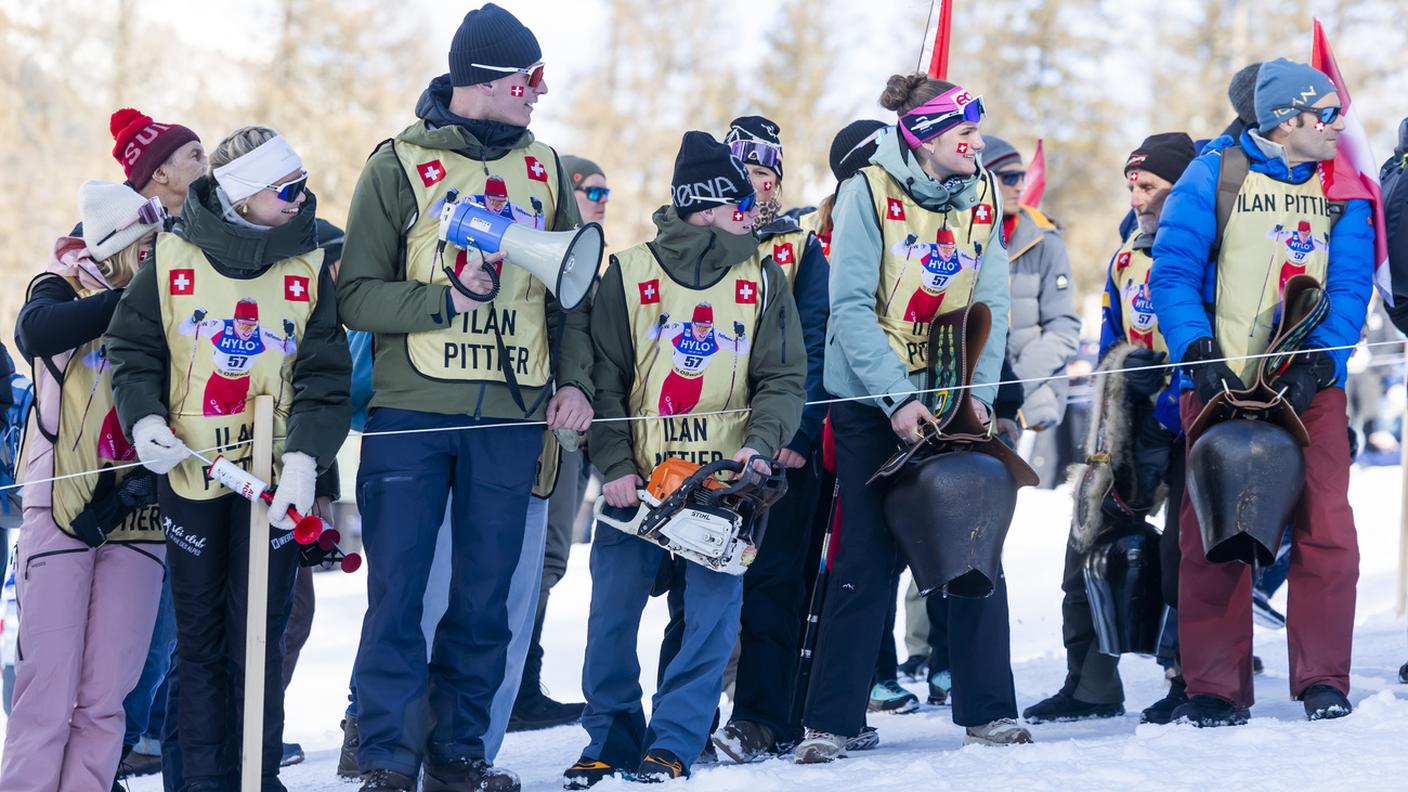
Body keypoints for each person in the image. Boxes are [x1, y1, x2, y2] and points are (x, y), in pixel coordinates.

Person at [336, 5, 593, 790]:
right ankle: (386, 758)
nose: (539, 93)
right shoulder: (396, 164)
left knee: (484, 599)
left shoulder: (547, 168)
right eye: (528, 80)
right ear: (482, 82)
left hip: (510, 418)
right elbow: (355, 296)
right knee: (399, 597)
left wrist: (574, 381)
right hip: (410, 414)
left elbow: (571, 298)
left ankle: (459, 755)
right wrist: (445, 301)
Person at [106, 125, 351, 790]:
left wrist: (306, 462)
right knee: (200, 637)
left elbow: (324, 377)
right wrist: (144, 418)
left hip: (273, 479)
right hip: (193, 473)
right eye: (286, 188)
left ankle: (255, 776)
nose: (301, 197)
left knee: (260, 636)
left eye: (302, 184)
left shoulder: (308, 262)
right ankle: (198, 781)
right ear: (243, 195)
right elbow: (133, 350)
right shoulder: (172, 254)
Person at [794, 72, 1023, 764]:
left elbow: (993, 300)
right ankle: (831, 722)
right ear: (926, 136)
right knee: (865, 557)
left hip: (953, 392)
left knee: (974, 540)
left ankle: (991, 712)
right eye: (966, 132)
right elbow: (850, 308)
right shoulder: (866, 192)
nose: (978, 143)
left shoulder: (982, 192)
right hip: (872, 402)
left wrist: (979, 390)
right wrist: (897, 398)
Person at [564, 131, 804, 788]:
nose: (752, 213)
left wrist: (761, 444)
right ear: (705, 208)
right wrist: (614, 465)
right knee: (611, 618)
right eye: (739, 204)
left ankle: (674, 741)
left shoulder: (764, 276)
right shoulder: (628, 271)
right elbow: (605, 379)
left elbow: (783, 378)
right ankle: (609, 738)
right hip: (637, 485)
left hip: (726, 489)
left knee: (710, 624)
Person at [1150, 58, 1372, 726]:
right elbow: (1173, 270)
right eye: (1325, 114)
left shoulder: (1344, 185)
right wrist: (1195, 349)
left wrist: (1321, 362)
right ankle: (1214, 686)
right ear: (1285, 121)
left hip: (1311, 387)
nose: (1337, 125)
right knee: (1212, 530)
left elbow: (1350, 285)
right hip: (1220, 380)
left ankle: (1323, 679)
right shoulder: (1212, 174)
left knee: (1326, 528)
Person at [1021, 132, 1197, 725]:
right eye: (1132, 186)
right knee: (1087, 537)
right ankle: (1091, 683)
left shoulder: (1210, 248)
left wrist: (1171, 395)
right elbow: (1111, 342)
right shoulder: (1125, 258)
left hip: (1193, 415)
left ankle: (1189, 677)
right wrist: (1123, 384)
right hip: (1130, 419)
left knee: (1183, 551)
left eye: (1150, 187)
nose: (1137, 198)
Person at [0, 181, 168, 792]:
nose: (158, 252)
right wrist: (131, 299)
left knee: (106, 694)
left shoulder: (174, 297)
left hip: (138, 512)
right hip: (58, 505)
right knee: (46, 690)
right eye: (147, 243)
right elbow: (35, 333)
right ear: (120, 244)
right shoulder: (59, 286)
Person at [706, 115, 830, 762]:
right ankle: (687, 717)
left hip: (781, 446)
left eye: (765, 174)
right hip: (708, 444)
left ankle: (761, 717)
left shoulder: (802, 249)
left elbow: (818, 341)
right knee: (701, 586)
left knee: (774, 585)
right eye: (743, 172)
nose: (756, 184)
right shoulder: (699, 238)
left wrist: (799, 430)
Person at [101, 107, 208, 786]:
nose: (207, 165)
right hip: (127, 458)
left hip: (199, 443)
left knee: (173, 622)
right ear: (158, 173)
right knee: (138, 624)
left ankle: (161, 743)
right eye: (194, 155)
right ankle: (112, 746)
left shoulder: (207, 232)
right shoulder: (117, 240)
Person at [508, 155, 609, 734]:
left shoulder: (594, 260)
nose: (603, 200)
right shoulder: (536, 251)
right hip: (530, 423)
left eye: (605, 191)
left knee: (549, 558)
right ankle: (508, 687)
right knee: (520, 557)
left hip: (577, 428)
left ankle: (521, 683)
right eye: (592, 191)